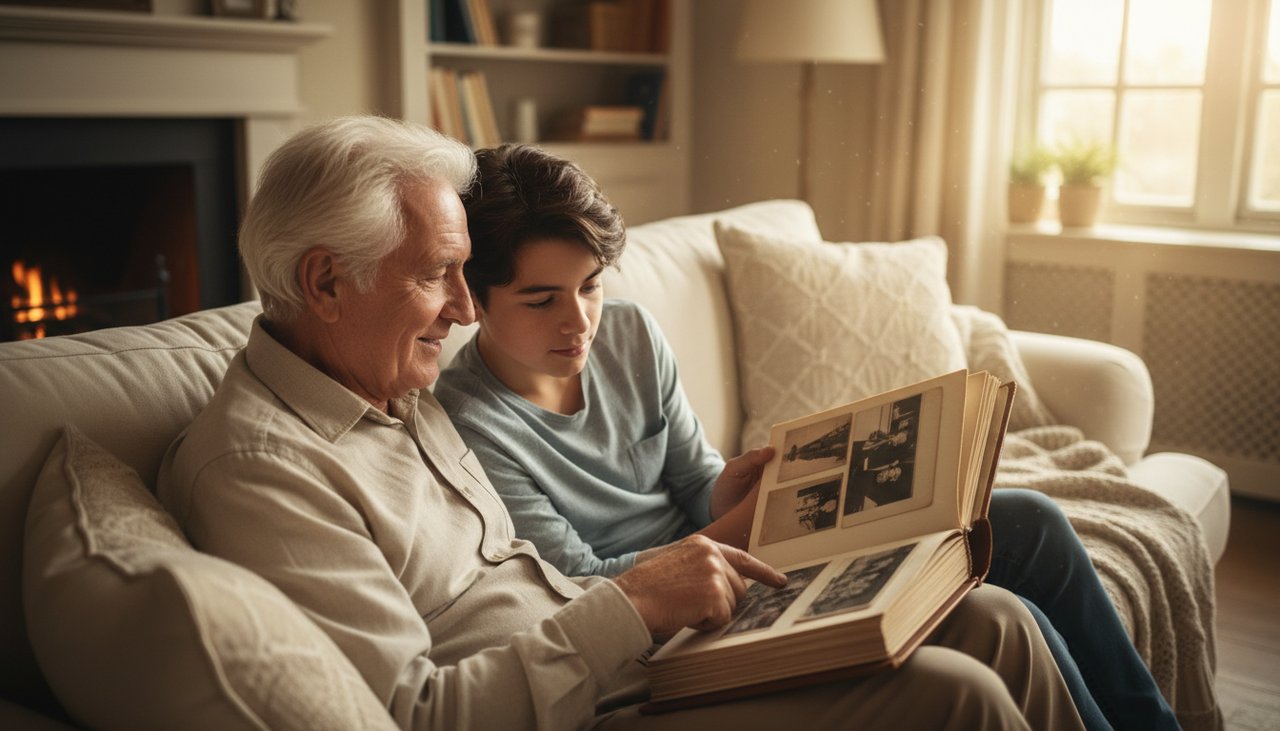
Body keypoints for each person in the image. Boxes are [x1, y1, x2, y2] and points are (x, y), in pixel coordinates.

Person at [156, 116, 1084, 731]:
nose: (466, 311)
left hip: (636, 650)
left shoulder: (383, 388)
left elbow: (595, 538)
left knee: (997, 619)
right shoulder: (261, 468)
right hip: (601, 696)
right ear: (325, 281)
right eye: (439, 275)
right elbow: (418, 710)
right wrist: (637, 603)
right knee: (957, 694)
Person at [435, 143, 1182, 731]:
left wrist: (749, 482)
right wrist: (743, 523)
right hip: (674, 624)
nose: (579, 321)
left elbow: (696, 482)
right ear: (472, 296)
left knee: (1030, 522)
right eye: (542, 299)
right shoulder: (471, 421)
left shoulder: (627, 334)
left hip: (744, 553)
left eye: (591, 284)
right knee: (997, 607)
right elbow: (579, 585)